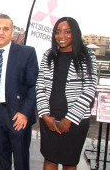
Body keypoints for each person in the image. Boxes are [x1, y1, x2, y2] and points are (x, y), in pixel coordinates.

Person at [0, 13, 39, 170]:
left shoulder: (27, 53)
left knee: (21, 160)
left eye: (6, 28)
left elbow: (34, 86)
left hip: (18, 115)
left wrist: (25, 113)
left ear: (13, 32)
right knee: (2, 157)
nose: (1, 32)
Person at [36, 17, 97, 170]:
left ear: (75, 33)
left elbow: (90, 88)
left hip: (75, 121)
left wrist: (69, 119)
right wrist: (45, 116)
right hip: (49, 118)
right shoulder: (48, 55)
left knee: (69, 163)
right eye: (57, 32)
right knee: (50, 159)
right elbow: (40, 86)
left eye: (67, 32)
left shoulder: (87, 56)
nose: (61, 36)